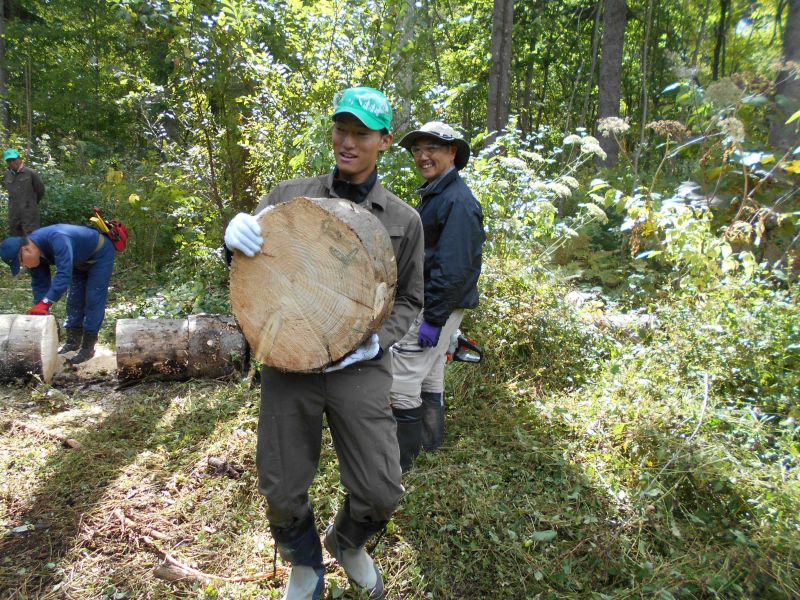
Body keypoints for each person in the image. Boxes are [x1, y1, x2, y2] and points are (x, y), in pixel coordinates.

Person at [223, 86, 424, 600]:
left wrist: (375, 342)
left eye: (361, 133)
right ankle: (305, 564)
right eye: (341, 130)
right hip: (290, 363)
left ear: (384, 140)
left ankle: (349, 542)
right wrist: (232, 239)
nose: (348, 142)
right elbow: (253, 270)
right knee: (281, 487)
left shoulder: (403, 219)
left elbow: (411, 301)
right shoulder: (290, 197)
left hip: (360, 368)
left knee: (381, 488)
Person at [389, 121, 485, 472]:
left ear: (452, 154)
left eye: (432, 149)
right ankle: (429, 443)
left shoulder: (457, 201)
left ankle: (402, 464)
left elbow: (455, 267)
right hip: (438, 304)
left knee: (401, 380)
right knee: (429, 375)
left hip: (432, 304)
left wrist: (433, 318)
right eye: (417, 150)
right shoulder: (438, 193)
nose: (423, 156)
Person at [0, 224, 116, 364]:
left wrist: (46, 302)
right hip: (78, 260)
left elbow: (63, 275)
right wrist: (41, 308)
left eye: (21, 263)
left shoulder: (57, 237)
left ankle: (88, 348)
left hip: (100, 253)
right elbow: (40, 284)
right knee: (74, 300)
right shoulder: (34, 254)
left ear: (26, 249)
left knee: (93, 298)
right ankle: (72, 343)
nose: (24, 266)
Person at [3, 148, 45, 236]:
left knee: (31, 239)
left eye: (13, 160)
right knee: (15, 240)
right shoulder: (7, 175)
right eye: (9, 161)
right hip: (14, 213)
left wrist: (31, 203)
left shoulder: (30, 173)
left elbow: (40, 190)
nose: (11, 163)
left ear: (20, 159)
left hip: (29, 214)